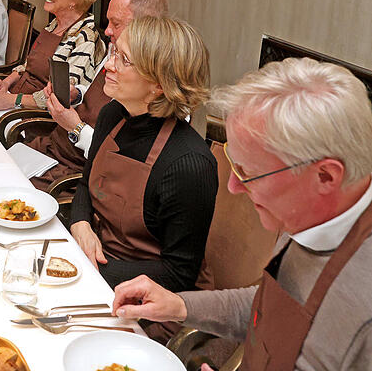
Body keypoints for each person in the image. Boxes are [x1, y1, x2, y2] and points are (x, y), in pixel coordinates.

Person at [112, 57, 372, 370]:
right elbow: (269, 306)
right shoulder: (316, 214)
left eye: (249, 173)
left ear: (326, 177)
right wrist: (179, 305)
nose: (233, 187)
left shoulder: (363, 309)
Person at [67, 16, 217, 294]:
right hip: (97, 265)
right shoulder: (112, 115)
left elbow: (178, 274)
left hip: (150, 298)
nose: (108, 66)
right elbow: (86, 184)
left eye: (123, 60)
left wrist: (88, 271)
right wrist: (80, 224)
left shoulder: (189, 163)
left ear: (158, 84)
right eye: (114, 53)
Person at [26, 0, 168, 191]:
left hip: (79, 169)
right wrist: (76, 94)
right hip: (57, 146)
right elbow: (97, 92)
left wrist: (76, 128)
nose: (107, 30)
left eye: (116, 23)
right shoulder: (115, 50)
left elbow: (121, 162)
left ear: (145, 25)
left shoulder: (147, 83)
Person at [0, 0, 105, 111]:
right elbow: (28, 66)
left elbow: (61, 95)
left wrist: (13, 100)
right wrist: (6, 83)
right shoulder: (54, 24)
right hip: (17, 98)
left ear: (74, 0)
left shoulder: (84, 38)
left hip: (36, 115)